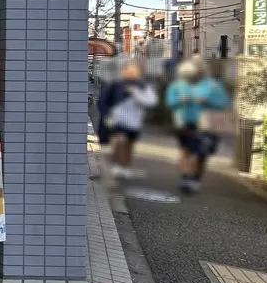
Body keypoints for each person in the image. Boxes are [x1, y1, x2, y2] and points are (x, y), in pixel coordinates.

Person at [165, 58, 231, 193]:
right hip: (185, 122)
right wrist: (180, 100)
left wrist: (208, 100)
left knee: (202, 154)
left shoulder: (213, 85)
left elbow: (224, 102)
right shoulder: (178, 85)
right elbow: (170, 102)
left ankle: (195, 179)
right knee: (186, 150)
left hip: (207, 124)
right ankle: (186, 178)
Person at [97, 60, 157, 180]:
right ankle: (118, 165)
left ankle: (125, 165)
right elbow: (103, 100)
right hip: (117, 120)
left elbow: (151, 102)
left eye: (134, 71)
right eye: (128, 70)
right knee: (120, 141)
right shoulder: (116, 85)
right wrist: (106, 114)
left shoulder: (142, 86)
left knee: (129, 145)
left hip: (134, 122)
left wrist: (135, 93)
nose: (131, 73)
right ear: (123, 71)